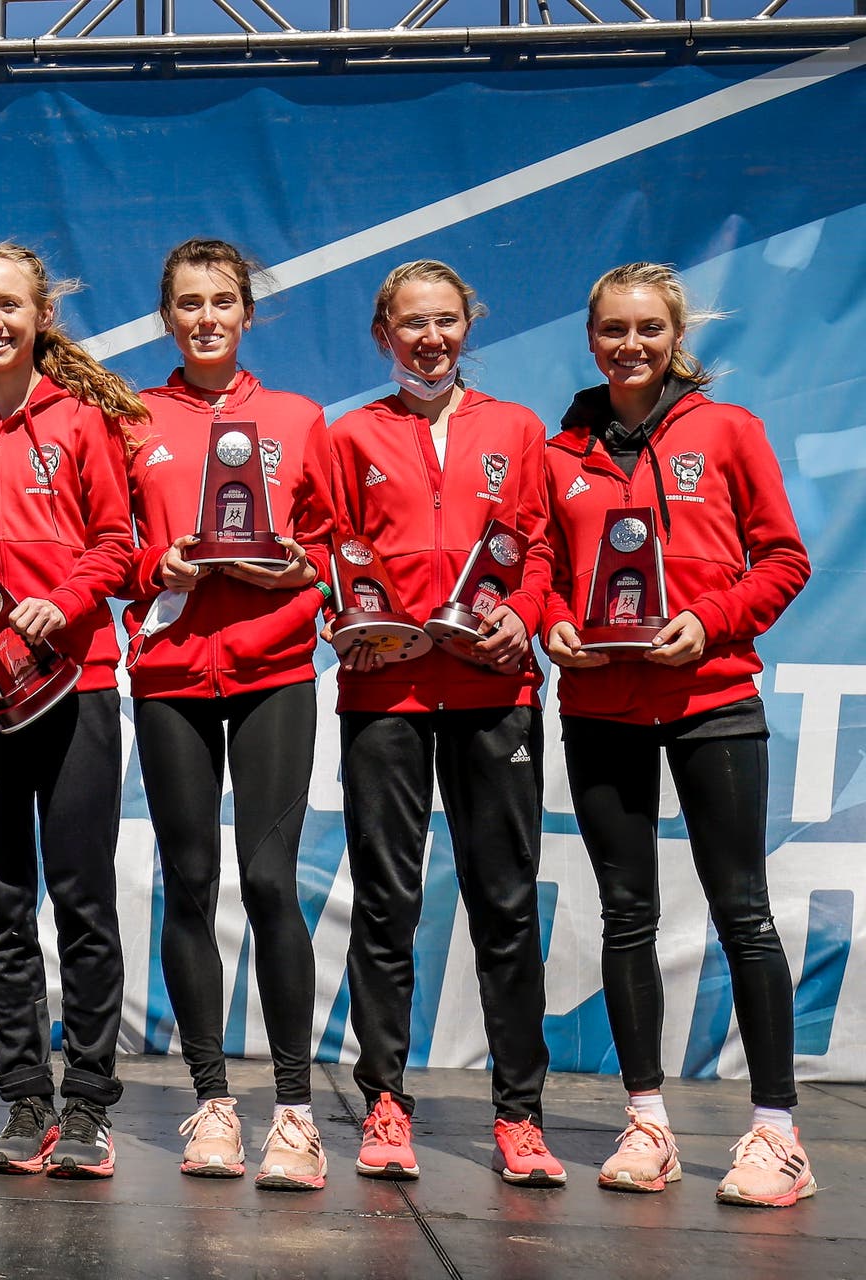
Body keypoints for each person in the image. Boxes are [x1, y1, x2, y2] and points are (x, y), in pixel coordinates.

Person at [542, 262, 812, 1206]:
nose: (631, 345)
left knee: (743, 912)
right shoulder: (558, 450)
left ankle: (777, 1134)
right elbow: (537, 566)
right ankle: (647, 1121)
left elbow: (784, 557)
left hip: (712, 701)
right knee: (627, 915)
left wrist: (715, 620)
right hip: (601, 707)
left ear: (675, 334)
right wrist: (551, 624)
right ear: (591, 337)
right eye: (613, 329)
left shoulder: (729, 431)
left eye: (648, 328)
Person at [327, 260, 564, 1187]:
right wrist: (346, 624)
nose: (430, 339)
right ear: (383, 334)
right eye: (411, 324)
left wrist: (527, 613)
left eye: (446, 322)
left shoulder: (517, 428)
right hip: (384, 694)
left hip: (492, 688)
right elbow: (325, 549)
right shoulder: (351, 435)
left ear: (469, 326)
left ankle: (521, 1114)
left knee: (504, 904)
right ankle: (385, 1101)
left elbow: (539, 545)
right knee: (386, 904)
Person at [122, 238, 334, 1189]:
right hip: (171, 672)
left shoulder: (298, 418)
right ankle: (212, 1104)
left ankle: (294, 1110)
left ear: (249, 314)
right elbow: (112, 542)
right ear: (168, 316)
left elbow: (336, 548)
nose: (206, 318)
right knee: (191, 880)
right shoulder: (133, 419)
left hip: (275, 671)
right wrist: (150, 569)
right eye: (189, 304)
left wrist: (300, 569)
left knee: (270, 882)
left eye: (223, 302)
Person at [0, 242, 140, 1180]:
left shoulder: (83, 421)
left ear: (39, 318)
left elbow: (119, 549)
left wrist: (60, 603)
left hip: (74, 686)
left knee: (82, 900)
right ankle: (27, 1100)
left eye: (9, 305)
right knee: (0, 908)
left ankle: (91, 1102)